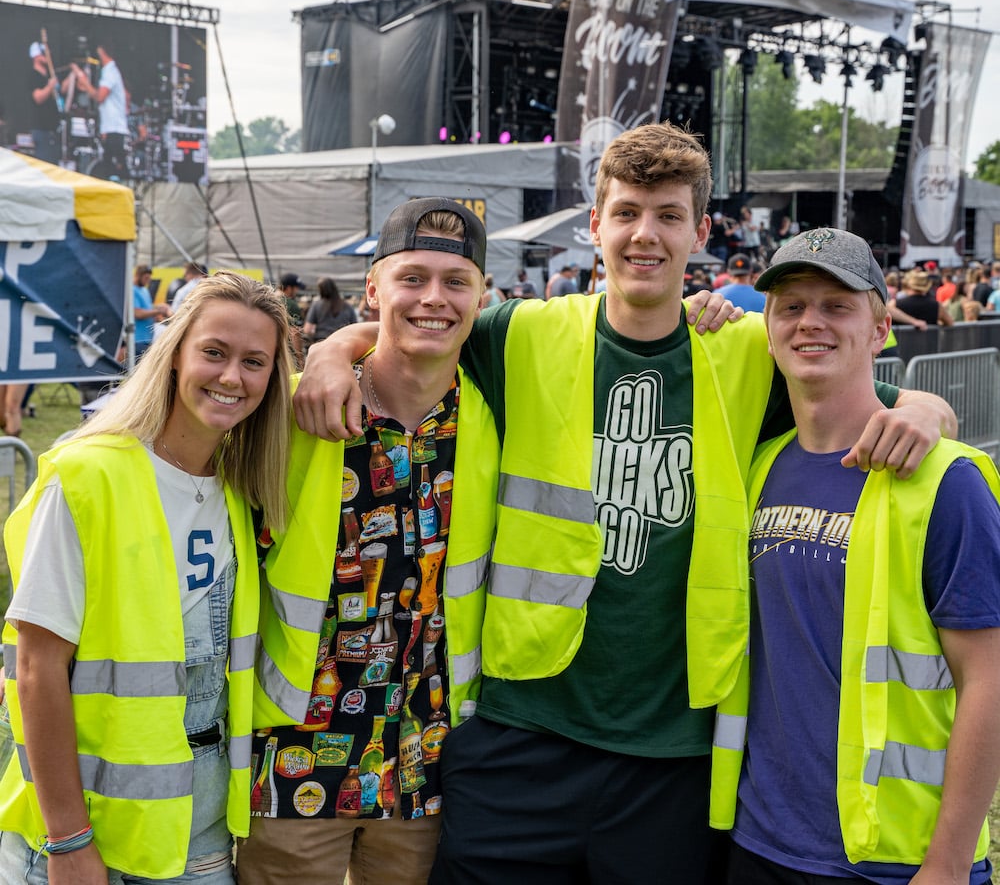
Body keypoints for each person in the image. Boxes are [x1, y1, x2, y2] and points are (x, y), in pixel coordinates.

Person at [292, 122, 956, 884]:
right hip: (524, 732)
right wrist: (329, 351)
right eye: (628, 212)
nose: (646, 234)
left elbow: (877, 398)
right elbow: (414, 327)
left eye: (669, 215)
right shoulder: (520, 334)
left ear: (701, 231)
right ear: (594, 224)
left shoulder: (746, 350)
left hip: (673, 751)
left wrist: (928, 409)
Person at [711, 228, 1000, 884]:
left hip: (896, 860)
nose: (810, 321)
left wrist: (950, 864)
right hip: (759, 843)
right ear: (769, 330)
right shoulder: (756, 468)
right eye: (791, 305)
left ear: (880, 329)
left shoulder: (945, 481)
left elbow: (989, 681)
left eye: (837, 305)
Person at [0, 272, 295, 884]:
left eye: (255, 361)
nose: (232, 376)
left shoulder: (240, 493)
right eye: (213, 352)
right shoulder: (89, 476)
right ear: (173, 357)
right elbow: (35, 670)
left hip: (201, 834)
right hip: (88, 834)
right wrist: (69, 841)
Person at [237, 198, 495, 885]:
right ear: (373, 289)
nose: (433, 299)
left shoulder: (500, 422)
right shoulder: (289, 417)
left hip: (426, 773)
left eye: (455, 281)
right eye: (412, 278)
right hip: (296, 769)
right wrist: (329, 355)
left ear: (483, 297)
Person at [70, 41, 129, 181]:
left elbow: (100, 97)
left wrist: (85, 82)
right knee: (109, 166)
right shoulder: (111, 71)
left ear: (102, 52)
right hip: (110, 127)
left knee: (116, 168)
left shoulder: (110, 71)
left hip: (114, 127)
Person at [27, 40, 62, 165]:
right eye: (43, 53)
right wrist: (50, 86)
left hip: (51, 130)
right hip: (42, 130)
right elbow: (38, 98)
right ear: (36, 56)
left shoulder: (47, 75)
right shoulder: (34, 76)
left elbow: (60, 91)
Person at [302, 276, 357, 345]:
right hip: (342, 343)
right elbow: (355, 326)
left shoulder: (316, 305)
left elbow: (307, 329)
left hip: (321, 342)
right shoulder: (347, 306)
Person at [133, 262, 170, 360]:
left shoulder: (144, 290)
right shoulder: (132, 290)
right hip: (137, 340)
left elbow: (147, 308)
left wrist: (158, 307)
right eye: (146, 278)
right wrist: (158, 311)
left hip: (148, 338)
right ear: (137, 275)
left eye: (149, 278)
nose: (148, 281)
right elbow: (138, 313)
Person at [278, 273, 308, 367]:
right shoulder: (291, 305)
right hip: (287, 355)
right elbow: (294, 332)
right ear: (289, 288)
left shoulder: (269, 300)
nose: (297, 291)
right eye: (296, 288)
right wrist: (300, 358)